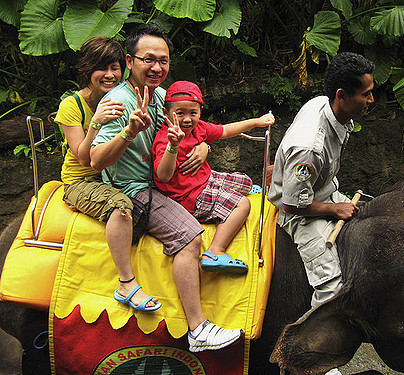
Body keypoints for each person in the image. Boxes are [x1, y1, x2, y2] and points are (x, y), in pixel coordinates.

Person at [90, 25, 243, 353]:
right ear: (130, 61)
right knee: (189, 235)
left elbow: (192, 128)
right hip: (135, 188)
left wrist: (204, 147)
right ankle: (198, 328)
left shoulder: (161, 95)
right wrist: (129, 132)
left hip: (163, 180)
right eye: (148, 60)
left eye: (164, 60)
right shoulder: (118, 102)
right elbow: (95, 161)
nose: (157, 67)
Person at [54, 36, 160, 312]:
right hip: (83, 180)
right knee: (120, 206)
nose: (110, 75)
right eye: (102, 68)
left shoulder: (127, 96)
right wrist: (96, 123)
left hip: (117, 174)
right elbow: (84, 158)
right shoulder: (73, 105)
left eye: (115, 67)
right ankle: (126, 282)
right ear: (87, 70)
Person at [268, 52, 375, 307]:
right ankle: (308, 340)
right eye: (365, 94)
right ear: (341, 95)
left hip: (323, 192)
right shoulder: (310, 147)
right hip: (299, 213)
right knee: (332, 288)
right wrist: (333, 209)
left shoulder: (323, 104)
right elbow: (292, 204)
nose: (371, 99)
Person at [152, 81, 275, 274]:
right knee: (242, 204)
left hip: (204, 178)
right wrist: (173, 146)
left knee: (246, 182)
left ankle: (225, 195)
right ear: (166, 113)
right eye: (179, 113)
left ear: (200, 111)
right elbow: (163, 176)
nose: (186, 119)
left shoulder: (199, 128)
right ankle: (215, 251)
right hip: (188, 195)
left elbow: (225, 130)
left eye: (192, 113)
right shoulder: (166, 138)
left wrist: (256, 122)